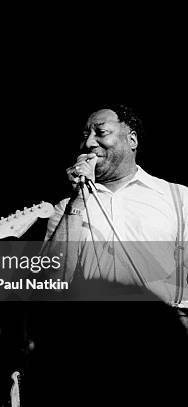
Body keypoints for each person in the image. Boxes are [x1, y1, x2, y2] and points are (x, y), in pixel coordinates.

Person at [33, 104, 187, 406]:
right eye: (85, 135)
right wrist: (78, 196)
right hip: (88, 351)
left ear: (131, 139)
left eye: (100, 132)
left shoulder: (178, 198)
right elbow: (51, 280)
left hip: (161, 345)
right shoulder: (67, 207)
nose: (89, 143)